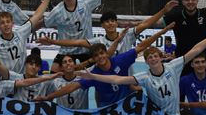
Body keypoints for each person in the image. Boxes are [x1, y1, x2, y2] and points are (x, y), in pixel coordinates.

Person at [75, 21, 206, 115]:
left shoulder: (173, 66)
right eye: (150, 58)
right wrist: (92, 76)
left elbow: (197, 49)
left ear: (160, 57)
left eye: (156, 56)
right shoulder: (144, 77)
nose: (153, 59)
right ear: (146, 62)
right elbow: (117, 80)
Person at [38, 24, 173, 108]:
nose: (100, 57)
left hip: (125, 102)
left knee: (138, 93)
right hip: (106, 107)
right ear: (94, 59)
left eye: (102, 53)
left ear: (106, 53)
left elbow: (141, 46)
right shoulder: (93, 74)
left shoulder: (120, 60)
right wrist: (49, 97)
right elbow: (73, 86)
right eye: (96, 56)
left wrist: (163, 31)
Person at [44, 0, 149, 64]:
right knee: (54, 75)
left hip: (86, 50)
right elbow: (44, 22)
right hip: (66, 51)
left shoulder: (86, 2)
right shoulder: (57, 11)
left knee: (92, 75)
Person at [37, 0, 177, 58]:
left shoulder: (127, 35)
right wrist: (53, 42)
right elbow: (76, 42)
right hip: (106, 81)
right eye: (107, 22)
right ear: (102, 25)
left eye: (112, 21)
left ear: (116, 23)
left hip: (125, 79)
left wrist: (164, 10)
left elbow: (146, 24)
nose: (110, 24)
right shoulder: (98, 42)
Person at [0, 0, 58, 75]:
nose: (6, 25)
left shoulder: (21, 32)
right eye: (2, 23)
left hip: (21, 79)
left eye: (8, 22)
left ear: (13, 23)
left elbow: (37, 15)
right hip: (3, 81)